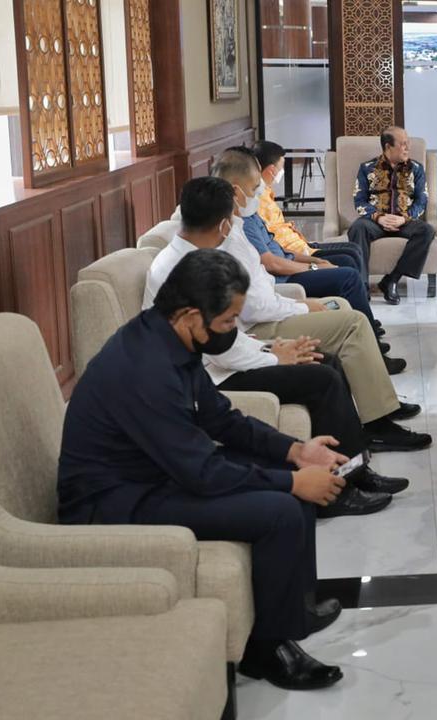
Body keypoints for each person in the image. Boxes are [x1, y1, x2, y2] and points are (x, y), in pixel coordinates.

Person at [59, 249, 349, 691]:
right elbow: (202, 472)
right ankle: (267, 651)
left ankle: (295, 609)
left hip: (154, 473)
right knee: (281, 510)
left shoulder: (170, 339)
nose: (233, 330)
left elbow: (220, 418)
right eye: (229, 321)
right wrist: (294, 482)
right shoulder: (146, 371)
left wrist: (294, 452)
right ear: (192, 315)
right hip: (115, 501)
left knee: (284, 472)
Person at [145, 176, 411, 518]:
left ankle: (354, 470)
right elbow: (218, 349)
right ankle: (337, 494)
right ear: (224, 224)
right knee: (322, 378)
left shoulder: (185, 255)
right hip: (210, 376)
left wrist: (271, 347)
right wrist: (272, 356)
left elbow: (222, 334)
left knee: (326, 361)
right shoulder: (186, 270)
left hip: (225, 358)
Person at [225, 148, 396, 365]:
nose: (259, 190)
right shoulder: (241, 226)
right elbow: (271, 264)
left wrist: (315, 261)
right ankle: (371, 345)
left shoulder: (251, 215)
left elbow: (280, 249)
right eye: (254, 186)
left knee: (349, 258)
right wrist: (313, 269)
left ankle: (368, 330)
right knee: (349, 276)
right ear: (237, 190)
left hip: (290, 263)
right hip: (286, 278)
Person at [253, 140, 367, 279]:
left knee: (354, 249)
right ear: (271, 170)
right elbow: (274, 244)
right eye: (281, 167)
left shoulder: (266, 191)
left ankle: (362, 288)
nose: (282, 172)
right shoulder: (257, 201)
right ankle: (358, 288)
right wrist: (312, 261)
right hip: (295, 252)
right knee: (349, 258)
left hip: (301, 245)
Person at [346, 126, 435, 305]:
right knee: (358, 228)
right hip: (376, 222)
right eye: (403, 144)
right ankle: (361, 287)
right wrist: (378, 217)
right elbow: (359, 201)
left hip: (404, 221)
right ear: (388, 147)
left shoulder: (416, 169)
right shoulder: (367, 168)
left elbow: (422, 201)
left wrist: (404, 218)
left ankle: (391, 281)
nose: (407, 147)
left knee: (427, 231)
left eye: (408, 143)